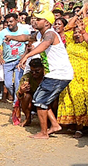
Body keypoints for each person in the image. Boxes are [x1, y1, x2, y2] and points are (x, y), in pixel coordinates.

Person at [16, 10, 74, 139]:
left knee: (40, 101)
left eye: (38, 19)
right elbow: (26, 38)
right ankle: (54, 125)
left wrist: (28, 56)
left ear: (47, 22)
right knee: (40, 99)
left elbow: (45, 44)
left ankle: (43, 132)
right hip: (55, 74)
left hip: (59, 73)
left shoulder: (50, 34)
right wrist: (11, 38)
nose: (35, 21)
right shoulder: (40, 35)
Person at [55, 13, 88, 136]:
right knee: (68, 99)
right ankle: (71, 125)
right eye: (75, 32)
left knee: (80, 100)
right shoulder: (70, 43)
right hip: (69, 77)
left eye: (79, 33)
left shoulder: (87, 44)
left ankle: (80, 127)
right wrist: (76, 16)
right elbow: (67, 28)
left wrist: (84, 12)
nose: (76, 34)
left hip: (82, 78)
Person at [0, 13, 32, 124]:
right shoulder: (3, 33)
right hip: (7, 62)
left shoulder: (24, 30)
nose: (9, 24)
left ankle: (16, 104)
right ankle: (16, 97)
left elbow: (27, 45)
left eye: (11, 21)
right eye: (7, 22)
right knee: (7, 84)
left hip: (19, 62)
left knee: (17, 82)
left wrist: (24, 57)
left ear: (16, 20)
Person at [15, 58, 45, 127]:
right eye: (32, 71)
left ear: (43, 69)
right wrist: (21, 92)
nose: (34, 73)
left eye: (37, 71)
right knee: (26, 96)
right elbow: (18, 94)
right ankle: (28, 119)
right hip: (33, 103)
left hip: (46, 102)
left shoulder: (48, 77)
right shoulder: (27, 77)